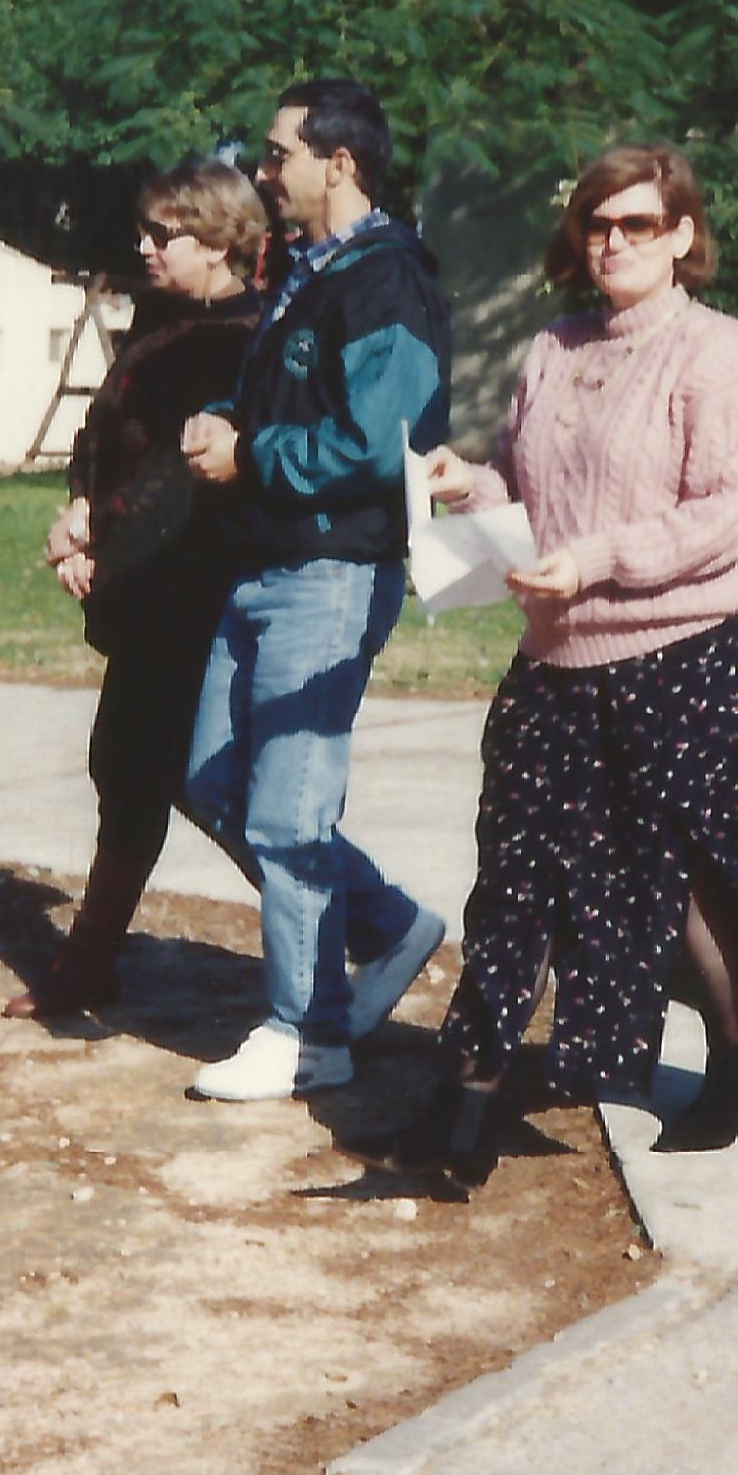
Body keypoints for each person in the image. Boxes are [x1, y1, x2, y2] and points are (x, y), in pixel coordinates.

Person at [387, 143, 738, 1188]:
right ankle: (470, 1104)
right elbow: (530, 488)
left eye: (638, 224)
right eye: (598, 224)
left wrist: (594, 560)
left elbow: (726, 518)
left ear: (682, 235)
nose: (613, 243)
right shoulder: (553, 348)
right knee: (518, 883)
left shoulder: (716, 354)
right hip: (557, 659)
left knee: (688, 890)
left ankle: (735, 1065)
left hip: (683, 659)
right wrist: (472, 487)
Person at [173, 78, 452, 1102]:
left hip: (330, 575)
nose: (263, 169)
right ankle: (386, 926)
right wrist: (221, 420)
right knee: (210, 779)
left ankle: (309, 1036)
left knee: (290, 815)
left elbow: (378, 445)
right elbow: (286, 398)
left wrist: (251, 457)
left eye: (279, 151)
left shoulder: (389, 281)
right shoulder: (306, 268)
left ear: (341, 163)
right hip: (263, 566)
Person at [9, 160, 269, 1019]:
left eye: (167, 236)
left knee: (201, 781)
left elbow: (180, 478)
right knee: (128, 768)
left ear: (223, 240)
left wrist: (101, 538)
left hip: (196, 586)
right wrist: (80, 506)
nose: (145, 247)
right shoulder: (157, 319)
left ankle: (359, 930)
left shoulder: (247, 335)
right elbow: (101, 429)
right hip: (140, 577)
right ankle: (90, 962)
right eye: (145, 232)